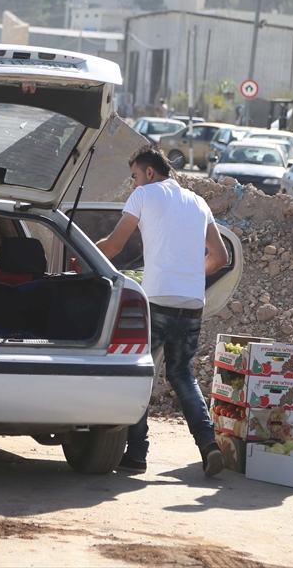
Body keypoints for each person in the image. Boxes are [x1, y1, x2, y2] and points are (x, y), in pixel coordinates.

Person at [96, 147, 230, 476]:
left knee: (140, 372)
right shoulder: (198, 202)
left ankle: (136, 452)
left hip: (157, 301)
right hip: (192, 302)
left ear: (149, 173)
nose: (133, 183)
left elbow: (113, 246)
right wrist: (190, 275)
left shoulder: (143, 196)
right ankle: (209, 445)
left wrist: (82, 258)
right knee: (182, 374)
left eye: (134, 176)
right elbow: (221, 257)